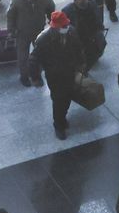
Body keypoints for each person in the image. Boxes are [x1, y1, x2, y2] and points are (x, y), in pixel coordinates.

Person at [33, 10, 83, 138]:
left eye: (66, 25)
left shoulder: (71, 32)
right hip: (54, 75)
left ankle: (62, 117)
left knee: (68, 96)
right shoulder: (43, 39)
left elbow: (78, 49)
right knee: (58, 99)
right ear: (55, 27)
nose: (66, 27)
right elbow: (34, 59)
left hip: (69, 71)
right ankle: (58, 125)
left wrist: (81, 66)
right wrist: (36, 77)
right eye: (63, 26)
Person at [6, 0, 55, 88]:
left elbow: (51, 10)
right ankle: (24, 77)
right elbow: (10, 15)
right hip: (22, 33)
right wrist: (11, 31)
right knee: (22, 57)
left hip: (39, 31)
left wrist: (52, 22)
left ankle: (37, 76)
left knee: (39, 55)